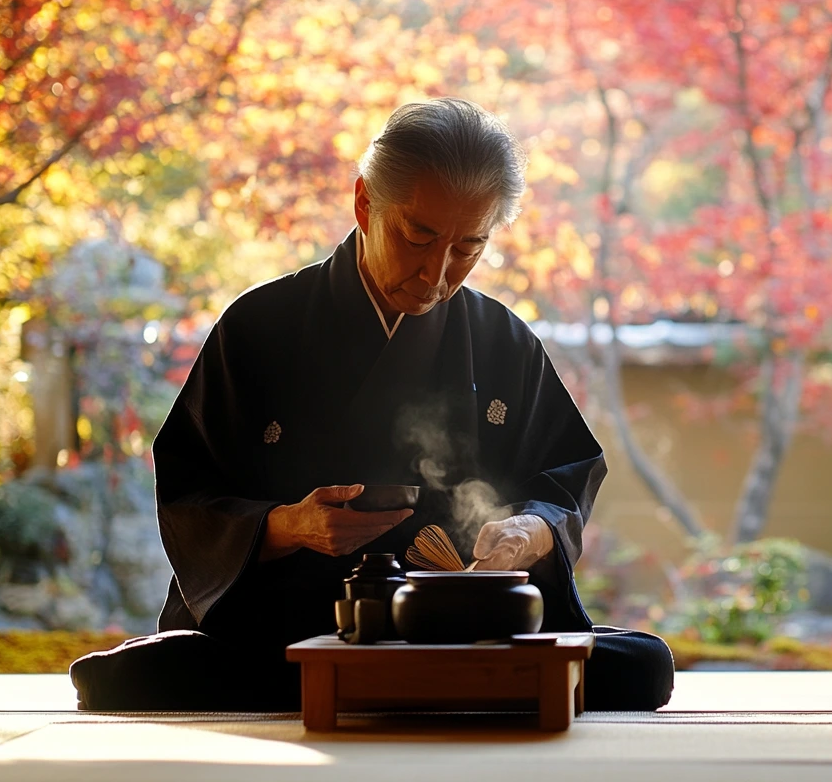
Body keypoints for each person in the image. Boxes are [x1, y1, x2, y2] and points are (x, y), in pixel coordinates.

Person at [71, 98, 674, 712]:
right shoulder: (261, 327)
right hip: (289, 631)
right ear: (365, 204)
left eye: (468, 246)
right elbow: (189, 487)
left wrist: (532, 530)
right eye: (419, 236)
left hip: (462, 631)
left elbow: (564, 474)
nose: (437, 274)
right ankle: (416, 688)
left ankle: (394, 684)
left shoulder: (502, 341)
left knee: (648, 667)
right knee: (120, 679)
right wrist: (288, 525)